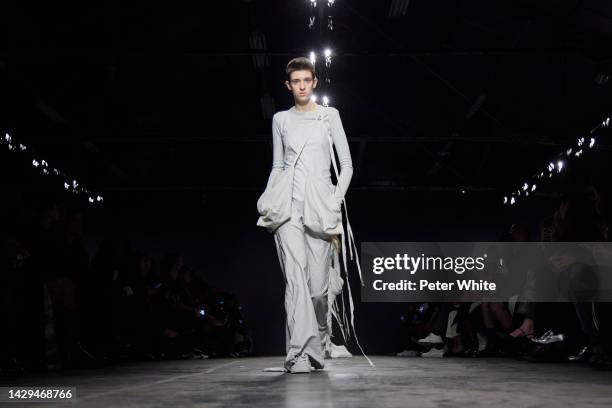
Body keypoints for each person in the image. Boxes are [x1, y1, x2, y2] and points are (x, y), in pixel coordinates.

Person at [262, 57, 354, 374]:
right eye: (295, 81)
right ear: (288, 85)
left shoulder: (330, 116)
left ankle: (317, 347)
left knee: (317, 289)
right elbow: (278, 165)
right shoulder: (280, 120)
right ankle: (299, 352)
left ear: (314, 82)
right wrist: (269, 196)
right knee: (296, 280)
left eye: (306, 80)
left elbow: (347, 165)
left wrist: (333, 200)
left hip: (320, 206)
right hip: (288, 207)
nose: (301, 85)